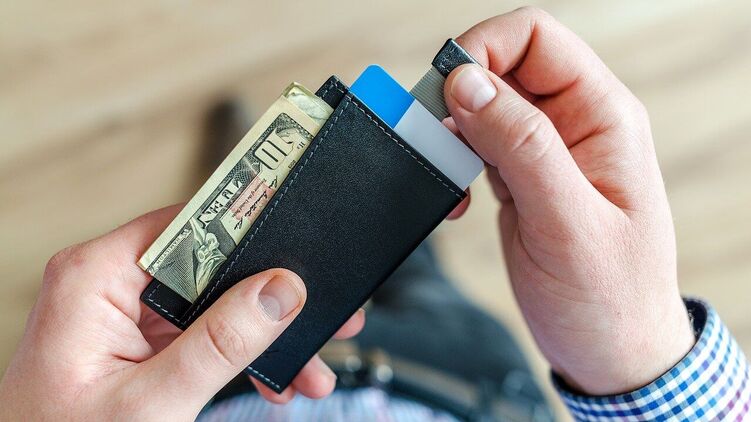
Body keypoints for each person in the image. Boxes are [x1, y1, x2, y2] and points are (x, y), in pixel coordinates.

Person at [0, 7, 748, 421]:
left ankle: (301, 182)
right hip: (469, 383)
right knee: (407, 249)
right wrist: (640, 360)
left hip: (219, 389)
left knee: (347, 221)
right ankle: (370, 201)